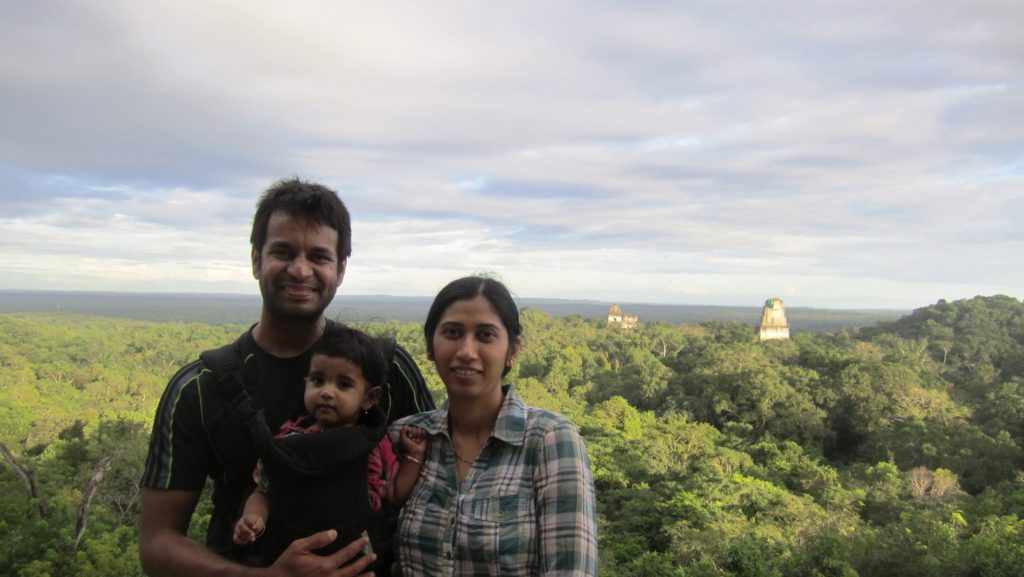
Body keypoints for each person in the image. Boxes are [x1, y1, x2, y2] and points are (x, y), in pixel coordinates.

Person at [139, 178, 434, 577]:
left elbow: (443, 492)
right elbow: (157, 544)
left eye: (319, 256)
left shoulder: (385, 367)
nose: (300, 269)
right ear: (256, 259)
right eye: (283, 251)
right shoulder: (201, 388)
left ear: (340, 269)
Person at [388, 276, 599, 576]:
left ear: (512, 350)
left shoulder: (549, 441)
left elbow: (572, 569)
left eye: (485, 335)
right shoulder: (407, 438)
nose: (466, 351)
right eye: (452, 332)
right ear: (430, 345)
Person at [231, 325, 427, 569]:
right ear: (306, 384)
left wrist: (414, 456)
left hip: (355, 562)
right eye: (317, 380)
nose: (326, 392)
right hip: (292, 561)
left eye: (343, 385)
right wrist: (253, 519)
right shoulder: (288, 439)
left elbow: (396, 494)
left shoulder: (374, 446)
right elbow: (263, 491)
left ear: (370, 398)